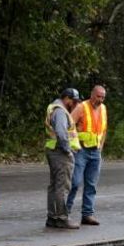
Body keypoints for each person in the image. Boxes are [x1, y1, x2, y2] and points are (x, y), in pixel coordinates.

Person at [67, 85, 108, 225]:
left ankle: (87, 214)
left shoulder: (103, 109)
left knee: (91, 184)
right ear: (92, 95)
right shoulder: (82, 107)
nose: (100, 100)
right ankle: (64, 213)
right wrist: (74, 145)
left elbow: (104, 129)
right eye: (98, 96)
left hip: (95, 152)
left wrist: (101, 146)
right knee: (75, 182)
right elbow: (69, 125)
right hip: (81, 151)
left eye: (103, 97)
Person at [44, 88, 82, 229]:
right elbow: (61, 132)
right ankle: (61, 218)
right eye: (73, 101)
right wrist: (68, 150)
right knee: (62, 186)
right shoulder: (60, 111)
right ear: (66, 98)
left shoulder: (54, 108)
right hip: (61, 153)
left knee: (54, 186)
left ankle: (52, 217)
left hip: (54, 150)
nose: (75, 104)